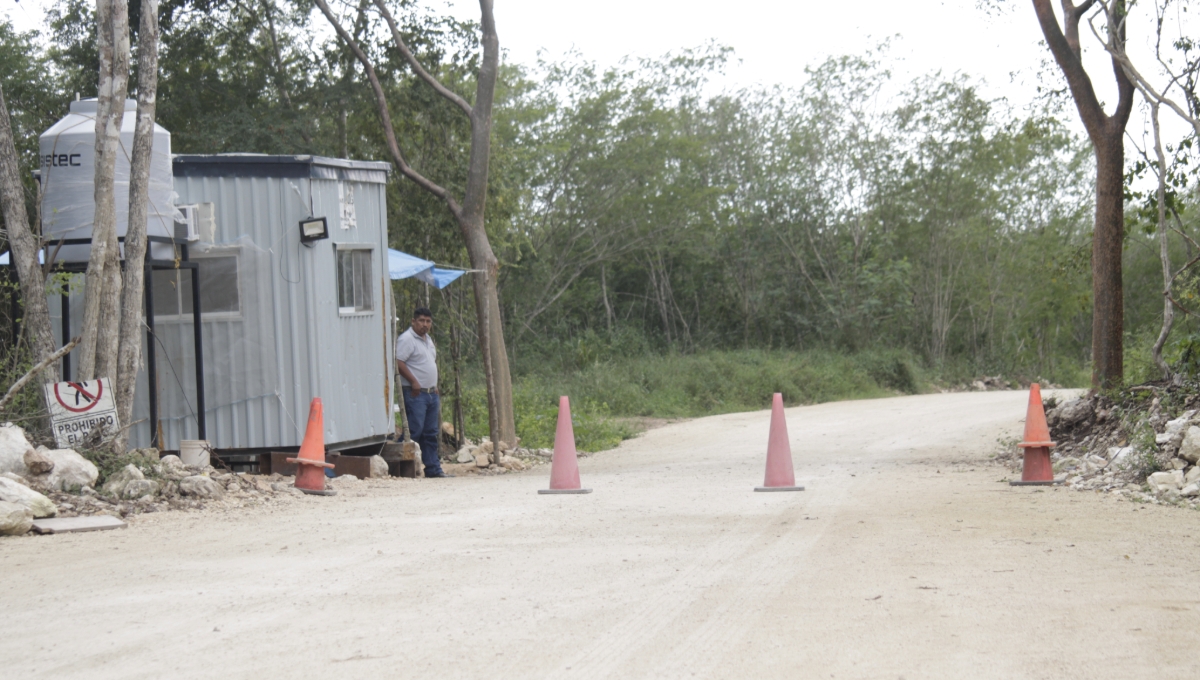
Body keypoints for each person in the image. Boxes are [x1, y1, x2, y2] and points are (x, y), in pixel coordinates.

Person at [395, 307, 451, 478]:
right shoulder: (407, 339)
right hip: (415, 393)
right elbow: (399, 362)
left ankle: (433, 468)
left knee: (431, 432)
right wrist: (414, 382)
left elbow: (429, 363)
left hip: (430, 393)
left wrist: (433, 385)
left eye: (428, 321)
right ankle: (396, 464)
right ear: (413, 321)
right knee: (414, 430)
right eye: (421, 321)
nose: (424, 325)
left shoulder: (428, 340)